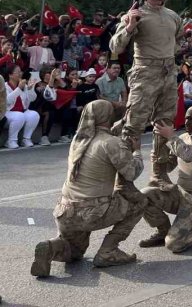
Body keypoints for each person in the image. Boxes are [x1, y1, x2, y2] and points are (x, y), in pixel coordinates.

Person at [30, 100, 144, 277]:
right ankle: (109, 251)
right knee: (139, 202)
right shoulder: (111, 143)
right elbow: (131, 173)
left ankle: (51, 247)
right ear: (106, 116)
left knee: (75, 252)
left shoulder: (78, 139)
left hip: (65, 211)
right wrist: (136, 152)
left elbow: (103, 137)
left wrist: (122, 123)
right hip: (92, 211)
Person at [109, 0, 182, 187]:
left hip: (168, 72)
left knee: (165, 121)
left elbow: (175, 41)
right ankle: (124, 176)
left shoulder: (173, 16)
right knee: (134, 124)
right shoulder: (135, 15)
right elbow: (115, 47)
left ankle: (158, 173)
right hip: (145, 73)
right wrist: (130, 25)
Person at [139, 104, 192, 252]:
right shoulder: (183, 138)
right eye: (186, 118)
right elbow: (170, 165)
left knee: (174, 245)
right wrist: (158, 157)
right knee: (144, 195)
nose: (187, 122)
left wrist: (170, 136)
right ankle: (162, 230)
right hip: (180, 193)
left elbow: (188, 155)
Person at [5, 65, 40, 149]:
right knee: (19, 116)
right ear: (10, 75)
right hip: (8, 113)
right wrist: (19, 89)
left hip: (22, 111)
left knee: (34, 115)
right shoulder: (5, 86)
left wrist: (30, 89)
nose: (20, 74)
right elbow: (7, 101)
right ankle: (11, 140)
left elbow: (32, 99)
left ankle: (26, 139)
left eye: (21, 71)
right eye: (17, 72)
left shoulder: (23, 85)